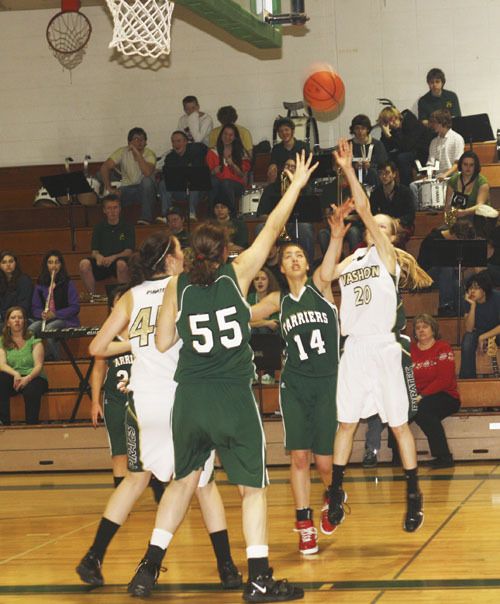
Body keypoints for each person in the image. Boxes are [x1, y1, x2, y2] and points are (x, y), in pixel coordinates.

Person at [128, 152, 317, 601]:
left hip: (190, 399)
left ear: (194, 253)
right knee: (253, 489)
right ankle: (257, 578)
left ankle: (147, 569)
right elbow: (272, 225)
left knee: (182, 482)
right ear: (226, 250)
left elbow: (160, 343)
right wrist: (296, 183)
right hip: (232, 396)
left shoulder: (177, 286)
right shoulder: (239, 273)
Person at [77, 231, 242, 591]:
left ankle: (93, 556)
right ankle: (226, 567)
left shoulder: (132, 296)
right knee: (203, 484)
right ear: (169, 259)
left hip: (141, 403)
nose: (184, 255)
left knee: (136, 479)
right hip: (179, 400)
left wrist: (136, 342)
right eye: (180, 250)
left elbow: (96, 346)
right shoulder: (184, 287)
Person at [326, 138, 432, 534]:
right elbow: (323, 277)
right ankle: (336, 492)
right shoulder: (353, 259)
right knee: (345, 425)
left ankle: (413, 495)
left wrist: (349, 170)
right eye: (376, 225)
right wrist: (337, 238)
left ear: (389, 235)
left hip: (385, 349)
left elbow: (367, 211)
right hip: (353, 348)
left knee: (399, 426)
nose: (376, 227)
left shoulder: (387, 257)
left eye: (383, 226)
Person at [250, 199, 352, 556]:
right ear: (281, 266)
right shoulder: (278, 300)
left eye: (299, 255)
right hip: (294, 386)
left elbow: (330, 262)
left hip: (327, 384)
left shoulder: (321, 287)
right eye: (288, 256)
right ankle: (304, 524)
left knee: (325, 463)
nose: (294, 259)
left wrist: (336, 235)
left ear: (307, 263)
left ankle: (334, 494)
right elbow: (243, 313)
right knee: (299, 458)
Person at [411, 314, 460, 469]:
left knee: (422, 410)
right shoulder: (409, 349)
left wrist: (421, 396)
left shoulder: (442, 347)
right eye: (418, 328)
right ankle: (397, 456)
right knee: (400, 411)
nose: (421, 330)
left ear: (433, 329)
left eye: (425, 326)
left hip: (446, 396)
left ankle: (444, 457)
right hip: (418, 396)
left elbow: (444, 380)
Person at [257, 157, 315, 265]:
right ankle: (263, 267)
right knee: (260, 228)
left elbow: (310, 214)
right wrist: (274, 221)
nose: (290, 169)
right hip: (275, 225)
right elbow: (261, 214)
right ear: (282, 169)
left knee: (305, 228)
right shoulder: (271, 189)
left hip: (296, 224)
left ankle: (308, 266)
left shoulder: (305, 188)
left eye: (293, 167)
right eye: (287, 166)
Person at [79, 195, 135, 298]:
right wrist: (98, 257)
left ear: (120, 209)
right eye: (109, 208)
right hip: (102, 263)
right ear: (104, 210)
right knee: (84, 264)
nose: (112, 211)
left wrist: (113, 257)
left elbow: (129, 251)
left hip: (118, 262)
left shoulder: (128, 227)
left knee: (121, 264)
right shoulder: (98, 227)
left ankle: (123, 297)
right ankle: (93, 296)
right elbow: (94, 251)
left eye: (115, 207)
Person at [418, 219, 476, 317]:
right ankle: (445, 305)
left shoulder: (452, 240)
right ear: (455, 236)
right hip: (426, 275)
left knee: (456, 283)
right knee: (445, 265)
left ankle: (462, 313)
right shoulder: (432, 240)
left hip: (447, 277)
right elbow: (430, 264)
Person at [0, 306, 48, 425]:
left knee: (31, 390)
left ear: (24, 322)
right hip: (14, 378)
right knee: (1, 379)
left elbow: (38, 366)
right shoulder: (2, 341)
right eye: (13, 318)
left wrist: (27, 378)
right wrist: (15, 373)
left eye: (20, 317)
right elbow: (1, 364)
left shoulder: (34, 339)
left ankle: (32, 425)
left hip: (33, 376)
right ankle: (4, 422)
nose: (17, 320)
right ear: (8, 323)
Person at [100, 127, 157, 226]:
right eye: (136, 139)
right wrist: (109, 188)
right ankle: (116, 224)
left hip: (143, 191)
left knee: (147, 181)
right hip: (126, 189)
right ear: (129, 142)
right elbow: (104, 167)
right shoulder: (122, 151)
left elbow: (147, 172)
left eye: (142, 139)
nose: (139, 142)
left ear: (145, 142)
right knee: (113, 197)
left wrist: (137, 153)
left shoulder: (149, 154)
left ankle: (146, 219)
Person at [30, 250, 80, 361]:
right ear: (46, 265)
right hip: (46, 319)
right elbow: (34, 307)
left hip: (65, 320)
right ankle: (32, 360)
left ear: (61, 265)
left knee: (50, 329)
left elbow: (75, 307)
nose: (53, 265)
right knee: (31, 329)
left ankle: (56, 361)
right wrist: (41, 313)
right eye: (50, 262)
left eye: (57, 262)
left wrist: (55, 314)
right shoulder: (40, 284)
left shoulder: (68, 283)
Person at [158, 130, 207, 222]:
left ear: (185, 142)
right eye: (173, 141)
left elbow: (198, 174)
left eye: (179, 141)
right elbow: (169, 176)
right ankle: (166, 215)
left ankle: (192, 214)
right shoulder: (170, 158)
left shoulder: (196, 154)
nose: (176, 144)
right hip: (180, 190)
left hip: (196, 191)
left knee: (195, 180)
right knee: (163, 184)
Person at [460, 270, 500, 379]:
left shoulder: (497, 298)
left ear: (485, 290)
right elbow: (469, 329)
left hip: (496, 330)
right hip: (478, 331)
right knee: (467, 339)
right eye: (470, 288)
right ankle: (469, 379)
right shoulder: (469, 301)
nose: (472, 291)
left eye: (476, 288)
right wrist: (472, 306)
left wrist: (484, 337)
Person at [378, 106, 432, 186]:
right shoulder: (391, 129)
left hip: (422, 152)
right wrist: (386, 134)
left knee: (402, 158)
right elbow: (385, 148)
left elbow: (406, 146)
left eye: (393, 119)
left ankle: (406, 187)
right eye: (387, 122)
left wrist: (390, 136)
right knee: (385, 159)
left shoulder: (411, 122)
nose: (391, 123)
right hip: (408, 152)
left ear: (397, 116)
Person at [206, 124, 251, 215]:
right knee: (212, 182)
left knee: (226, 183)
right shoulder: (212, 152)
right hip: (219, 183)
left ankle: (232, 215)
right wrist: (213, 171)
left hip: (237, 185)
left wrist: (232, 164)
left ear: (235, 137)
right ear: (221, 135)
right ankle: (211, 215)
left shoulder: (241, 152)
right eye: (225, 134)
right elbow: (206, 174)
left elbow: (242, 175)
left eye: (231, 135)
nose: (227, 137)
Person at [370, 161, 415, 245]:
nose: (384, 176)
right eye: (380, 173)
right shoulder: (375, 193)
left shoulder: (405, 191)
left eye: (387, 173)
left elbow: (410, 214)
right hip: (382, 226)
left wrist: (397, 221)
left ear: (394, 174)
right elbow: (373, 213)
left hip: (402, 225)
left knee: (395, 235)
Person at [445, 151, 490, 223]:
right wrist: (449, 223)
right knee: (437, 233)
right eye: (465, 164)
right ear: (460, 165)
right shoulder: (453, 180)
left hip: (478, 219)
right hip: (457, 220)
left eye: (471, 165)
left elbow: (480, 206)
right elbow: (447, 205)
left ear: (476, 166)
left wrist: (464, 212)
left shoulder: (482, 182)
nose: (468, 167)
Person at [349, 114, 387, 188]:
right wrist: (354, 166)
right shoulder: (348, 145)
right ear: (353, 130)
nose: (360, 131)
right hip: (354, 180)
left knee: (373, 172)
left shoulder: (377, 144)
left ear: (368, 129)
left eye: (363, 128)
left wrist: (371, 165)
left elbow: (384, 164)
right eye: (357, 128)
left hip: (374, 180)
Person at [267, 118, 309, 183]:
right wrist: (272, 168)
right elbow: (273, 165)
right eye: (281, 131)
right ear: (278, 134)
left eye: (286, 130)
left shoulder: (303, 146)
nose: (284, 133)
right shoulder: (276, 149)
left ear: (293, 131)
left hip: (300, 182)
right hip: (282, 183)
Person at [0, 251, 33, 330]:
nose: (8, 265)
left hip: (21, 318)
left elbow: (24, 306)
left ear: (16, 263)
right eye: (4, 262)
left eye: (11, 261)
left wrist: (8, 316)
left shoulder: (24, 280)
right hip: (3, 319)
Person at [247, 268, 281, 335]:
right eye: (256, 279)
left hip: (273, 336)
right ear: (253, 282)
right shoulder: (249, 298)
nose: (260, 281)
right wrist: (265, 323)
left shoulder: (274, 297)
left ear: (269, 281)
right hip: (253, 335)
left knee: (263, 329)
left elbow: (274, 324)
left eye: (263, 279)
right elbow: (244, 322)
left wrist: (256, 323)